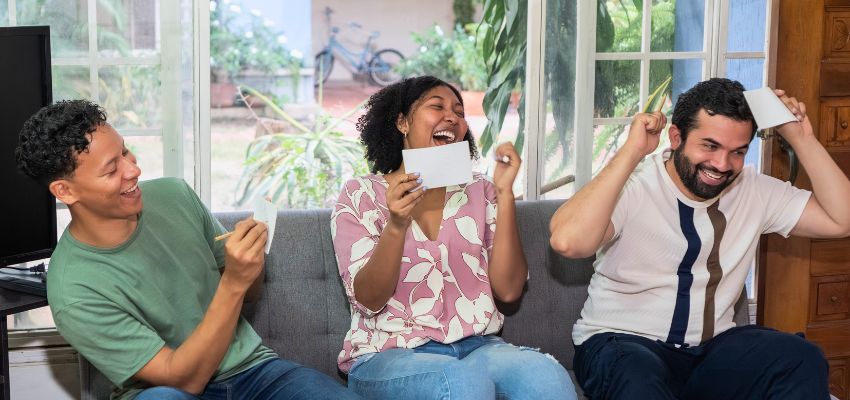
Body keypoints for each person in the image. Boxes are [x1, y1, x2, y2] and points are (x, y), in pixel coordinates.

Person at [15, 100, 360, 400]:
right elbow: (185, 380)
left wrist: (250, 266)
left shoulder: (175, 195)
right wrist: (233, 283)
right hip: (165, 391)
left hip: (255, 371)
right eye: (111, 169)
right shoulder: (74, 289)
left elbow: (251, 293)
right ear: (65, 191)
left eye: (125, 152)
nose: (133, 169)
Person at [550, 78, 848, 399]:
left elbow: (841, 220)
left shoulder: (753, 190)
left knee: (801, 358)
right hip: (624, 343)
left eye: (737, 152)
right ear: (676, 137)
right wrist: (632, 152)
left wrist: (801, 137)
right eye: (710, 146)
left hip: (712, 350)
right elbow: (568, 241)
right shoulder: (634, 185)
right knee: (638, 380)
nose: (722, 165)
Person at [330, 76, 576, 399]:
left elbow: (509, 290)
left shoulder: (481, 190)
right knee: (458, 382)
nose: (453, 117)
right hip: (388, 353)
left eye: (459, 112)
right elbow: (368, 298)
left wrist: (504, 194)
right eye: (437, 106)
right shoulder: (360, 195)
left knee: (549, 378)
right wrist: (396, 225)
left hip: (479, 346)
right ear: (402, 122)